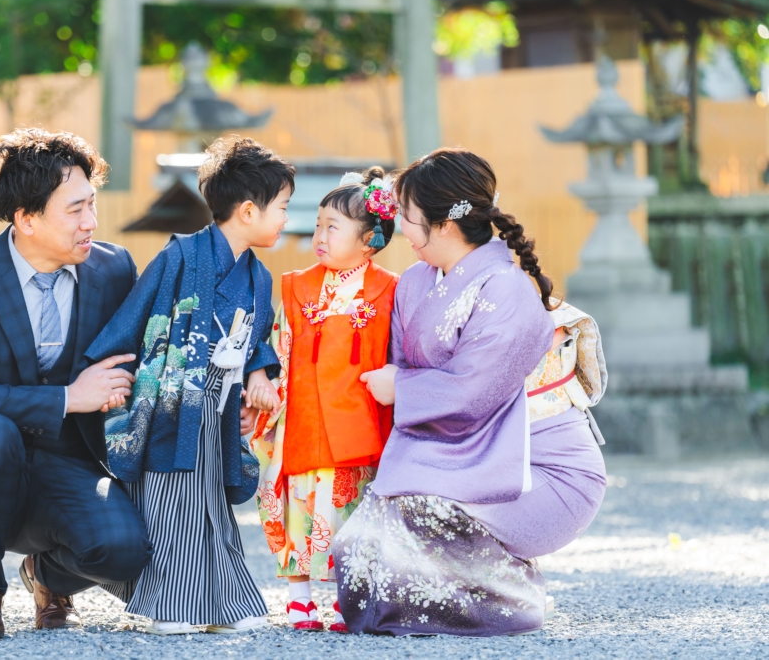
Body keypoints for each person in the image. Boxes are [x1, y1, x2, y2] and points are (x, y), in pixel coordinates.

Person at [334, 149, 608, 637]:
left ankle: (516, 599)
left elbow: (473, 393)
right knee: (360, 544)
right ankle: (465, 590)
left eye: (411, 220)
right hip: (461, 454)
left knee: (418, 513)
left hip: (536, 469)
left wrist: (402, 386)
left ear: (444, 225)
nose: (405, 233)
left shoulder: (506, 289)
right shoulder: (415, 283)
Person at [0, 128, 154, 640]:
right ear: (26, 218)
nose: (91, 222)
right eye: (76, 210)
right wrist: (69, 397)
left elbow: (145, 361)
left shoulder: (113, 269)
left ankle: (45, 576)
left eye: (92, 205)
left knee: (125, 551)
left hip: (68, 463)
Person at [84, 136, 290, 635]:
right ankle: (169, 606)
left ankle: (223, 606)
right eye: (281, 207)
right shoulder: (179, 257)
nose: (285, 217)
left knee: (211, 510)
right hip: (168, 406)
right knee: (171, 505)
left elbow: (256, 337)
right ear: (247, 210)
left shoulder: (259, 278)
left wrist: (260, 371)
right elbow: (132, 318)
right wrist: (107, 377)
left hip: (216, 410)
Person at [251, 167, 399, 633]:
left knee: (346, 509)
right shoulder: (296, 285)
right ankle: (298, 598)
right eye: (317, 224)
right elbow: (278, 344)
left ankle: (344, 597)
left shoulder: (390, 289)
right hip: (300, 414)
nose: (319, 235)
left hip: (357, 418)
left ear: (370, 240)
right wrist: (265, 389)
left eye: (332, 228)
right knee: (295, 501)